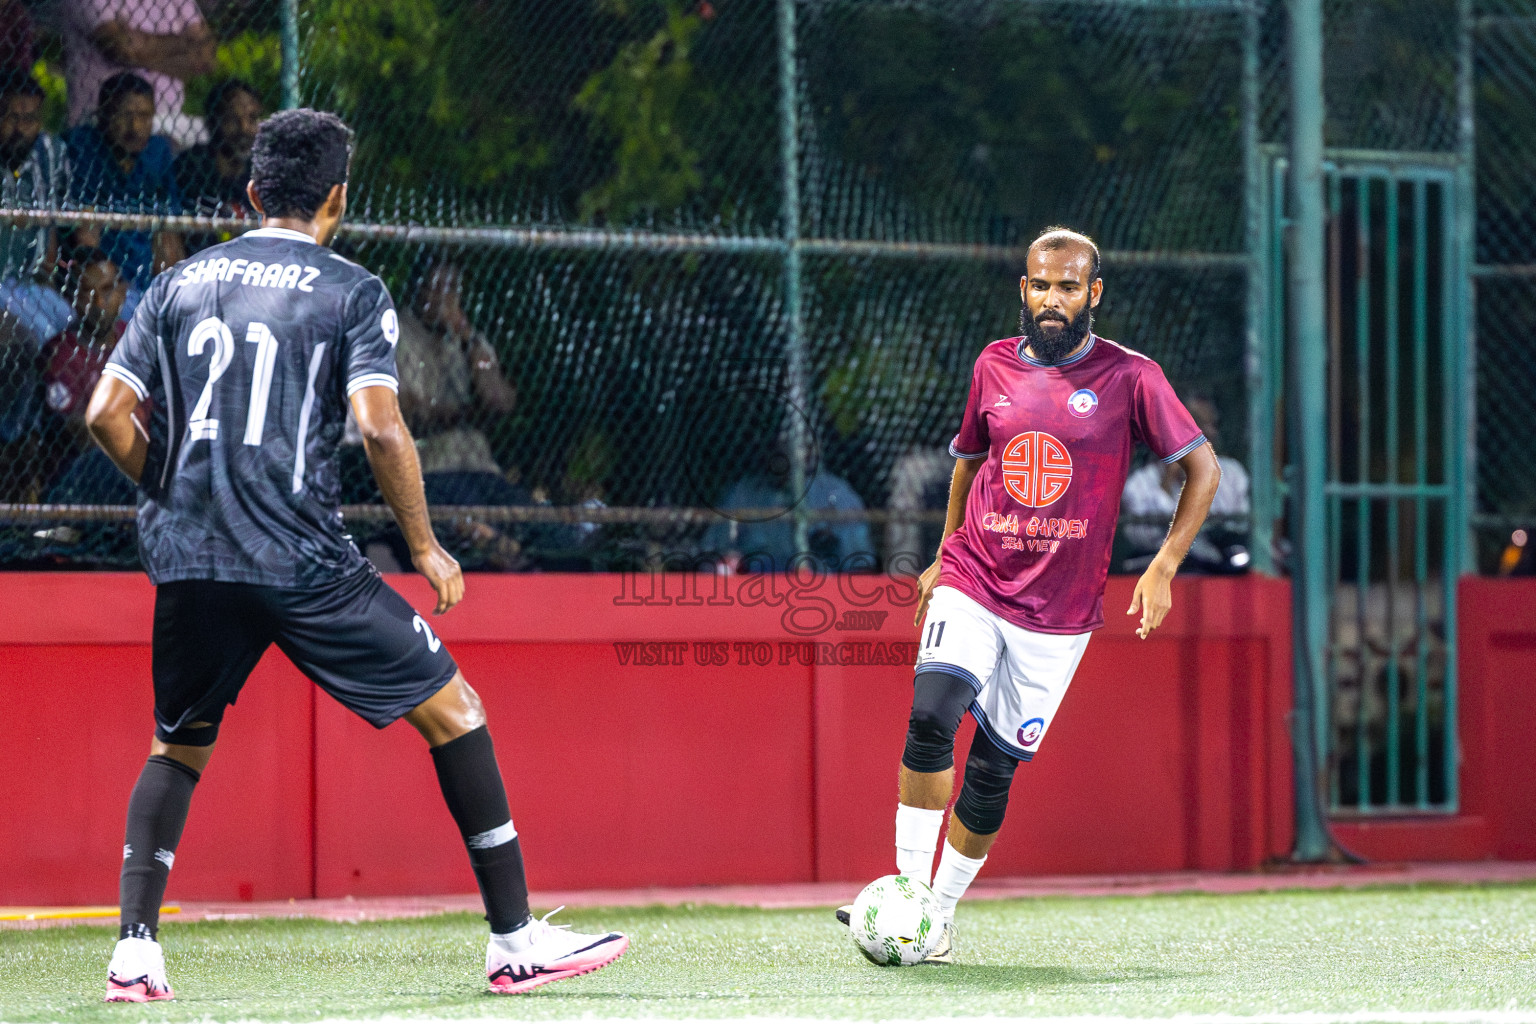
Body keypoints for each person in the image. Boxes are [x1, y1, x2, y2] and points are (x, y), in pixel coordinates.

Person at [85, 109, 627, 1002]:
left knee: (177, 745)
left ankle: (135, 955)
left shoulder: (178, 281)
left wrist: (170, 486)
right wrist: (425, 545)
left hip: (192, 557)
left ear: (252, 193)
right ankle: (514, 942)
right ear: (339, 196)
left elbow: (106, 411)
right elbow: (380, 426)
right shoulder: (353, 290)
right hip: (301, 558)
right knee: (455, 711)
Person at [836, 227, 1221, 961]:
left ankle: (939, 915)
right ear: (1024, 289)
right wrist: (944, 554)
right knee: (929, 716)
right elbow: (967, 462)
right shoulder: (992, 364)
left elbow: (1202, 470)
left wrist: (1166, 564)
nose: (1052, 300)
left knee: (991, 771)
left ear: (1093, 294)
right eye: (1040, 286)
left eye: (1068, 287)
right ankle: (907, 896)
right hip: (976, 577)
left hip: (1058, 616)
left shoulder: (1132, 377)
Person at [393, 254, 528, 568]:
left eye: (453, 289)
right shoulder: (398, 332)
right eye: (438, 288)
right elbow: (413, 413)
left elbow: (498, 400)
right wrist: (469, 414)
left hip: (481, 467)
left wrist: (468, 339)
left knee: (552, 535)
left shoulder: (469, 341)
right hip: (432, 469)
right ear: (420, 291)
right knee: (478, 535)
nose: (446, 298)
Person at [40, 246, 137, 504]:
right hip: (76, 486)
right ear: (72, 295)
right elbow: (81, 434)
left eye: (107, 290)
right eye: (87, 292)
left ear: (123, 291)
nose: (98, 303)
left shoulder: (136, 341)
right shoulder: (60, 353)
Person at [1120, 392, 1251, 573]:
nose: (1210, 433)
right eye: (1198, 425)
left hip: (1224, 572)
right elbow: (1147, 538)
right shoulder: (1139, 485)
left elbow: (1241, 527)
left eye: (1213, 424)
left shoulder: (1232, 474)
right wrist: (1166, 485)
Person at [61, 0, 215, 148]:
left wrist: (143, 49)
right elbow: (123, 49)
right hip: (105, 122)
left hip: (169, 118)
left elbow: (206, 57)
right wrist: (186, 43)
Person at [703, 440, 873, 572]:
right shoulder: (745, 493)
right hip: (757, 589)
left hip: (818, 589)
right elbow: (713, 555)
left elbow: (860, 564)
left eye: (794, 446)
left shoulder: (833, 493)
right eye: (779, 445)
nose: (784, 453)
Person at [0, 74, 78, 350]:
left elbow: (56, 222)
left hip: (32, 283)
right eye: (10, 117)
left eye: (29, 119)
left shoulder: (51, 152)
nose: (19, 128)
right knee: (42, 335)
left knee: (71, 329)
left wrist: (48, 278)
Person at [175, 78, 262, 253]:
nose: (243, 128)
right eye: (232, 120)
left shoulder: (262, 172)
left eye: (252, 119)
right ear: (213, 122)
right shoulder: (191, 168)